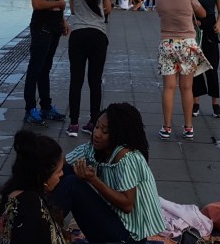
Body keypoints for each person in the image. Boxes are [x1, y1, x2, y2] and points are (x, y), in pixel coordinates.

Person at [54, 102, 164, 243]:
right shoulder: (95, 148)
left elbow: (127, 204)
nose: (97, 134)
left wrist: (94, 180)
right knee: (65, 171)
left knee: (72, 184)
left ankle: (46, 227)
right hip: (112, 221)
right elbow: (63, 162)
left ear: (118, 135)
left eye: (105, 131)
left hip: (127, 236)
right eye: (97, 127)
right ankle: (42, 219)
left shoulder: (127, 158)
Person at [155, 0, 208, 139]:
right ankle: (188, 127)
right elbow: (202, 14)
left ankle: (166, 127)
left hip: (167, 44)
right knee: (186, 88)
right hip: (187, 45)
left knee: (168, 88)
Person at [24, 0, 69, 126]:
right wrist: (60, 4)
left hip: (54, 26)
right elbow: (37, 3)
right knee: (35, 69)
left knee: (45, 68)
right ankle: (30, 109)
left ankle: (46, 107)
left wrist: (63, 20)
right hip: (42, 27)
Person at [67, 0, 113, 137]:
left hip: (78, 34)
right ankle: (93, 122)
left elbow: (72, 9)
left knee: (76, 80)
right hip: (97, 35)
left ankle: (73, 124)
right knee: (95, 81)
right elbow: (108, 8)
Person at [0, 130, 66, 244]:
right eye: (59, 171)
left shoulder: (10, 190)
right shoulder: (31, 206)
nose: (62, 174)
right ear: (43, 176)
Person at [189, 0, 220, 119]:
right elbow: (187, 8)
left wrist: (218, 24)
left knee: (212, 66)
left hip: (210, 27)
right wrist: (192, 21)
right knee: (195, 66)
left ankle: (215, 103)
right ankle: (196, 102)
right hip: (194, 27)